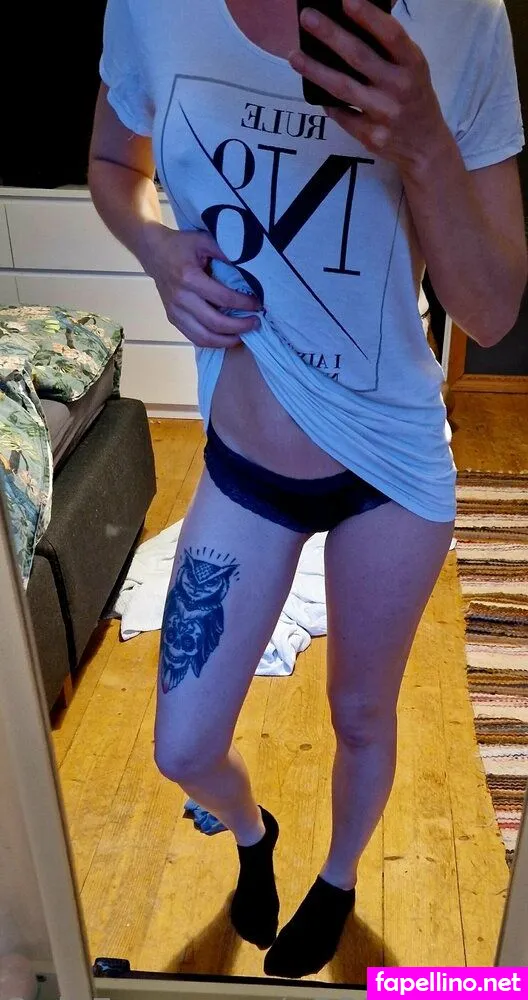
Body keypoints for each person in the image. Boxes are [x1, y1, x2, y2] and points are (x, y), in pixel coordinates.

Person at [89, 0, 527, 979]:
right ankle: (253, 831)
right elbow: (115, 164)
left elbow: (491, 309)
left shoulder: (460, 18)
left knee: (363, 713)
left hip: (390, 465)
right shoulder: (152, 6)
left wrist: (425, 140)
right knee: (182, 746)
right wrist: (157, 252)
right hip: (249, 463)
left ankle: (337, 879)